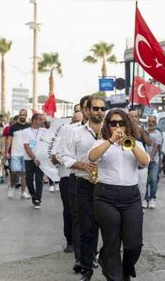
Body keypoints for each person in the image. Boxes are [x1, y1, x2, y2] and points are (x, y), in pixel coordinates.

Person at [89, 109, 150, 281]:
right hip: (105, 196)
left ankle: (125, 267)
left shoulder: (135, 143)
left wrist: (128, 144)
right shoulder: (100, 143)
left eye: (121, 123)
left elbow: (144, 162)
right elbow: (92, 157)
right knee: (112, 240)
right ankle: (115, 275)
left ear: (127, 125)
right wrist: (111, 140)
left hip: (130, 196)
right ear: (107, 125)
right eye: (113, 123)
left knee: (134, 243)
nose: (117, 126)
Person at [60, 96, 106, 281]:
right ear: (87, 110)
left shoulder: (111, 130)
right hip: (84, 183)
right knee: (87, 228)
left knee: (111, 228)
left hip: (107, 185)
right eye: (95, 108)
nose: (99, 112)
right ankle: (87, 268)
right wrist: (80, 165)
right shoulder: (74, 132)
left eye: (102, 109)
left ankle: (104, 259)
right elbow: (64, 155)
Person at [51, 111, 83, 255]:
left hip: (83, 178)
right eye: (76, 121)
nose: (78, 124)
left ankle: (84, 243)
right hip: (66, 177)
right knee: (70, 210)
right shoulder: (63, 136)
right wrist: (67, 159)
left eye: (81, 122)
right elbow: (54, 157)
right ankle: (70, 241)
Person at [22, 113, 49, 208]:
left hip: (40, 159)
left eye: (41, 119)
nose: (40, 121)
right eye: (38, 119)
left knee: (39, 179)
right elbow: (26, 146)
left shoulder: (45, 131)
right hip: (29, 159)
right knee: (29, 180)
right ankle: (33, 194)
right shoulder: (25, 131)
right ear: (33, 120)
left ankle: (38, 199)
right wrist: (34, 158)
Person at [128, 110, 152, 209]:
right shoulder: (124, 129)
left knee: (142, 188)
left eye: (136, 116)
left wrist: (141, 132)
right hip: (129, 165)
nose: (134, 118)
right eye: (131, 116)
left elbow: (149, 143)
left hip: (141, 166)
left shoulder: (143, 130)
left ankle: (141, 204)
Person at [6, 109, 31, 199]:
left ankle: (23, 192)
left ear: (26, 116)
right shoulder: (13, 127)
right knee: (14, 172)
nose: (22, 116)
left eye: (24, 115)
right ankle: (12, 186)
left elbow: (32, 140)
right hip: (15, 153)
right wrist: (6, 152)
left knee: (24, 174)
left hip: (26, 154)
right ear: (19, 115)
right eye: (20, 115)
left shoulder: (29, 127)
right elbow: (9, 139)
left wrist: (33, 151)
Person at [144, 115, 162, 209]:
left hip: (153, 161)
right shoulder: (144, 132)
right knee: (145, 181)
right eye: (149, 121)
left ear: (155, 123)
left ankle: (152, 198)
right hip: (143, 160)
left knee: (153, 180)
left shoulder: (158, 134)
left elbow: (156, 147)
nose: (151, 123)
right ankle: (145, 199)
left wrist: (150, 157)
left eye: (153, 122)